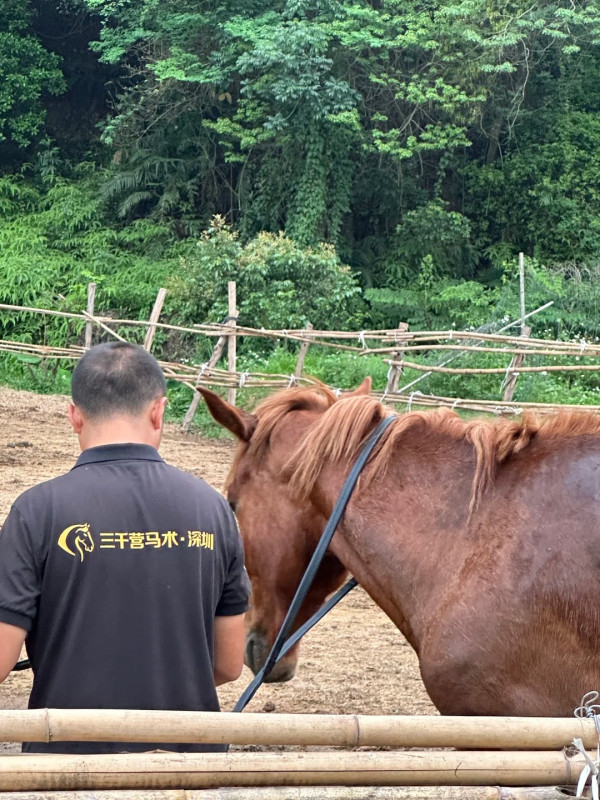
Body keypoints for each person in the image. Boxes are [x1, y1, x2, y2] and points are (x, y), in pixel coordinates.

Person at [0, 342, 250, 754]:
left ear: (74, 416)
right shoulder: (213, 510)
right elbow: (227, 663)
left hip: (69, 767)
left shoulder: (36, 511)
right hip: (187, 767)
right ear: (158, 412)